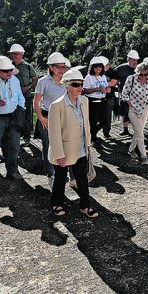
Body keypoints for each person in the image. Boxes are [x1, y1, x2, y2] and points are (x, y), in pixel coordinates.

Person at [47, 68, 98, 218]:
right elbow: (54, 132)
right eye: (76, 85)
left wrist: (88, 144)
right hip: (63, 148)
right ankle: (57, 203)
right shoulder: (56, 105)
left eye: (81, 84)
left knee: (82, 178)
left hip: (80, 147)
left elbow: (85, 124)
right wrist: (59, 154)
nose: (80, 88)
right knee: (60, 178)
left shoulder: (84, 101)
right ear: (67, 85)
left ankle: (85, 205)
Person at [34, 52, 69, 182]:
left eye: (63, 67)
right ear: (51, 67)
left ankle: (63, 172)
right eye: (58, 67)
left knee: (65, 145)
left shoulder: (67, 81)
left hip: (64, 117)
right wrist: (41, 118)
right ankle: (51, 173)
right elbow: (36, 102)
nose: (61, 69)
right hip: (47, 117)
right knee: (49, 146)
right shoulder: (43, 82)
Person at [121, 62, 148, 165]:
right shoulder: (131, 79)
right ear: (137, 73)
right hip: (133, 109)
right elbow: (124, 94)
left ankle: (130, 150)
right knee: (140, 134)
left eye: (145, 74)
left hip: (145, 108)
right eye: (141, 74)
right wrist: (130, 105)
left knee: (139, 131)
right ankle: (144, 156)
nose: (143, 77)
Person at [9, 44, 38, 146]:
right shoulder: (7, 66)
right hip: (11, 97)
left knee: (26, 117)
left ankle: (26, 138)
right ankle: (16, 139)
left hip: (26, 96)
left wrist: (28, 87)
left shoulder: (28, 67)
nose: (14, 56)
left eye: (16, 53)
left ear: (22, 54)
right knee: (13, 118)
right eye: (12, 54)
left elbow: (35, 80)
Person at [83, 56, 111, 145]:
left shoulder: (103, 76)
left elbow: (105, 86)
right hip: (92, 100)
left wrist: (107, 89)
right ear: (92, 67)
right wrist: (97, 89)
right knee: (93, 120)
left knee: (105, 120)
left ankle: (91, 134)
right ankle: (94, 138)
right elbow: (85, 90)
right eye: (96, 66)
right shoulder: (88, 77)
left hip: (102, 99)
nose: (98, 68)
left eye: (100, 66)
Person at [111, 50, 139, 136]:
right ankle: (125, 129)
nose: (135, 62)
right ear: (128, 59)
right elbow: (113, 80)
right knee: (123, 113)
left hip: (136, 96)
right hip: (124, 95)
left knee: (135, 114)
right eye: (133, 60)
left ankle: (137, 131)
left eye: (136, 60)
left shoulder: (139, 69)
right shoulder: (120, 69)